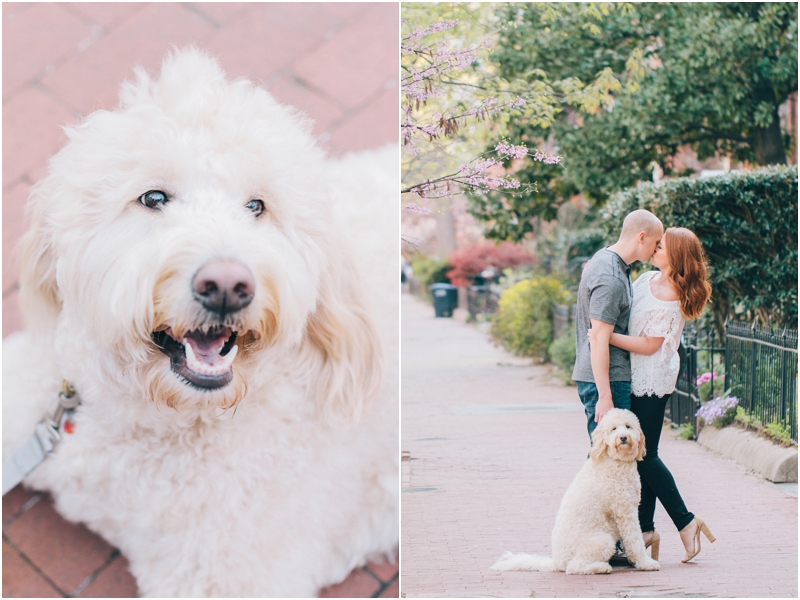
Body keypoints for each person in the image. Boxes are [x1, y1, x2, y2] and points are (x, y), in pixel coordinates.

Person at [589, 227, 715, 563]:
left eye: (661, 247)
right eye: (656, 244)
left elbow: (649, 345)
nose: (655, 249)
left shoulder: (674, 294)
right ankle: (647, 530)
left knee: (646, 454)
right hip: (632, 375)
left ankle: (684, 523)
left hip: (652, 379)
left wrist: (607, 336)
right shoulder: (645, 279)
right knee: (644, 456)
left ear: (676, 256)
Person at [572, 209, 663, 438]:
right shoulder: (611, 277)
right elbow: (599, 338)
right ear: (642, 237)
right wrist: (605, 396)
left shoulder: (609, 261)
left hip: (604, 376)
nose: (658, 247)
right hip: (607, 379)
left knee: (608, 457)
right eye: (656, 241)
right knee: (610, 459)